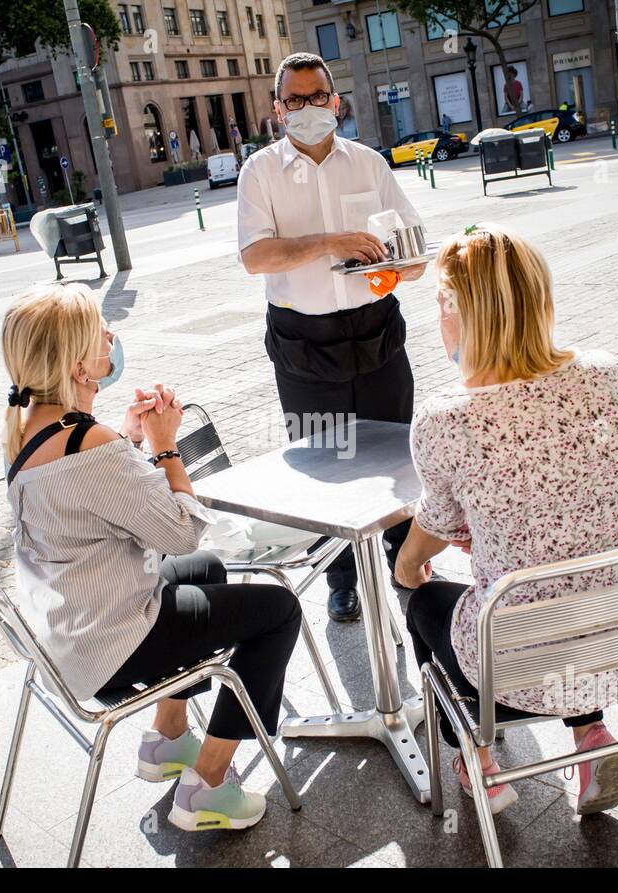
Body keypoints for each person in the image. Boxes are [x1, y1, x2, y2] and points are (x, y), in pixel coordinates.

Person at [1, 284, 302, 832]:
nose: (112, 338)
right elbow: (180, 532)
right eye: (102, 332)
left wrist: (129, 439)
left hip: (70, 629)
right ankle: (207, 787)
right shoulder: (87, 442)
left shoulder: (27, 428)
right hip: (111, 642)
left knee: (206, 574)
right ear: (78, 365)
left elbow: (95, 503)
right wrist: (166, 446)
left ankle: (169, 739)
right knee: (278, 612)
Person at [394, 224, 618, 818]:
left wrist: (409, 563)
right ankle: (591, 739)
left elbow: (435, 526)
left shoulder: (445, 419)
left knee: (421, 601)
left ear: (462, 317)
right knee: (571, 583)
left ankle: (478, 752)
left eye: (442, 307)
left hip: (521, 669)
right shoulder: (608, 375)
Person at [237, 51, 426, 622]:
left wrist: (395, 266)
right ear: (277, 110)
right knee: (326, 460)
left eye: (317, 97)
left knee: (397, 453)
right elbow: (255, 257)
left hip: (375, 329)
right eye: (294, 100)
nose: (308, 108)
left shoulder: (368, 164)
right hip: (303, 339)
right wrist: (328, 242)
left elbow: (415, 256)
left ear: (335, 101)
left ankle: (405, 558)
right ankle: (342, 580)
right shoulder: (260, 172)